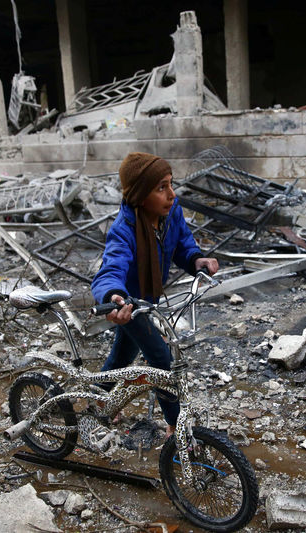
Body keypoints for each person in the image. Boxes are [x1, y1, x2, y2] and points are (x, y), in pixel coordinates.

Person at [91, 152, 219, 439]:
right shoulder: (123, 230)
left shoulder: (170, 213)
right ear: (139, 196)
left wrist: (196, 260)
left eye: (171, 184)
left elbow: (183, 243)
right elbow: (111, 269)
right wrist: (112, 296)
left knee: (123, 354)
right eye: (161, 187)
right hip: (129, 305)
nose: (172, 194)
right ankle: (177, 429)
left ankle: (98, 397)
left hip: (151, 302)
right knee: (162, 360)